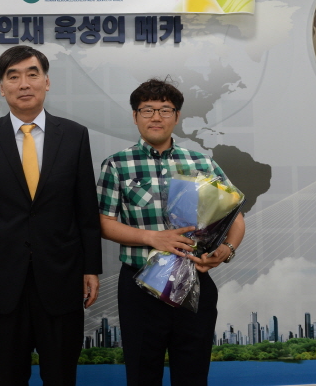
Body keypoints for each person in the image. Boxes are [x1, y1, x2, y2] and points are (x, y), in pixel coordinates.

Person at [0, 45, 103, 386]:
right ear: (2, 87)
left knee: (61, 376)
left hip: (62, 277)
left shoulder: (74, 135)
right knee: (8, 376)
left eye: (32, 74)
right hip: (1, 280)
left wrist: (91, 268)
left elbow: (85, 208)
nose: (24, 84)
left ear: (46, 82)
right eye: (13, 77)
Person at [97, 78, 245, 386]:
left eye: (165, 110)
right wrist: (152, 238)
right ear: (135, 115)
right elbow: (103, 222)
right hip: (139, 286)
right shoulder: (117, 165)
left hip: (194, 282)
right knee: (142, 376)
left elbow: (235, 216)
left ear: (176, 116)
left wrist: (225, 251)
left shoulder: (201, 162)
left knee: (193, 375)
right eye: (147, 109)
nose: (156, 117)